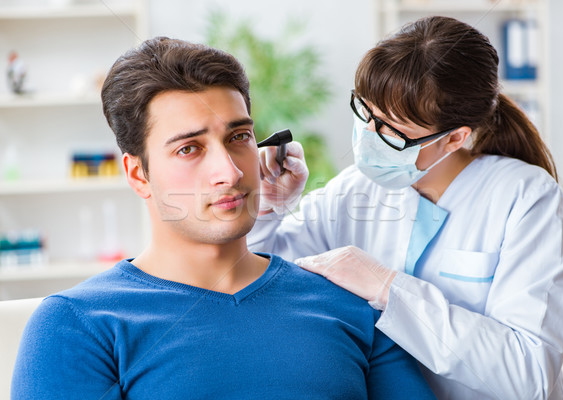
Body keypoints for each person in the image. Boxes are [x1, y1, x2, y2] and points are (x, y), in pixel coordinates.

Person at [11, 37, 435, 399]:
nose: (230, 172)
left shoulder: (350, 305)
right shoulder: (76, 327)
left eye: (238, 138)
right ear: (139, 174)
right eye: (189, 149)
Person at [249, 16, 563, 400]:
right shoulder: (358, 187)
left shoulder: (525, 197)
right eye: (366, 111)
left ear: (454, 138)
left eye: (392, 127)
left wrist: (388, 287)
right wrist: (270, 207)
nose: (369, 133)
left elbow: (529, 375)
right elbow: (268, 274)